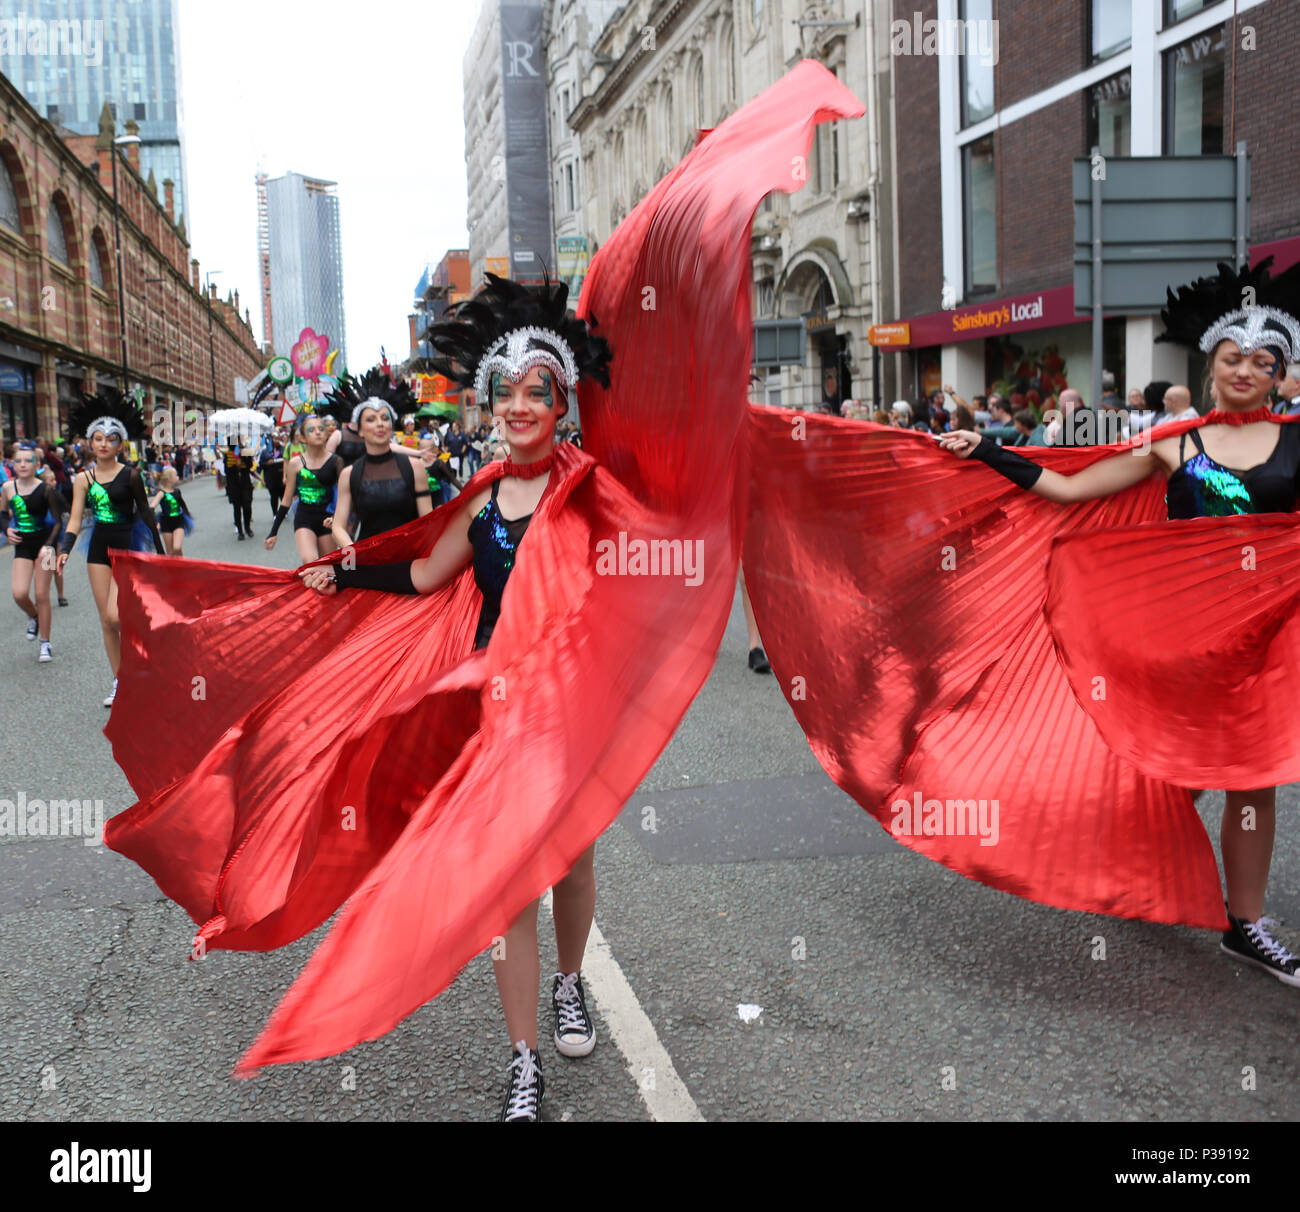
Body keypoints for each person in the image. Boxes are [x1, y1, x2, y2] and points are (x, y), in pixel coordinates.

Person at [93, 62, 865, 1116]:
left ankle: (568, 986)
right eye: (502, 394)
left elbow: (656, 551)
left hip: (569, 705)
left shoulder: (594, 493)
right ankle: (522, 1062)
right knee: (506, 881)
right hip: (493, 702)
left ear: (562, 404)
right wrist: (338, 566)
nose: (515, 408)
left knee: (568, 866)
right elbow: (419, 572)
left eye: (536, 393)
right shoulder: (483, 497)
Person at [939, 256, 1300, 985]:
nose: (1245, 370)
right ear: (1210, 365)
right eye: (1233, 357)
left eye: (1263, 362)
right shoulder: (1173, 443)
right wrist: (990, 452)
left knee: (1252, 777)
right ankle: (1127, 858)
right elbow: (1069, 490)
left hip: (1269, 641)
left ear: (1280, 374)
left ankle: (1246, 923)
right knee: (1171, 771)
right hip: (1185, 637)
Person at [57, 391, 165, 705]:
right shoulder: (82, 479)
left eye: (111, 438)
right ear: (91, 442)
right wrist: (65, 549)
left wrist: (160, 552)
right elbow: (75, 519)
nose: (104, 443)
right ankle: (121, 682)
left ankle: (143, 654)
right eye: (98, 438)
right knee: (106, 621)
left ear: (120, 444)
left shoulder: (131, 475)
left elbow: (145, 512)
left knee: (116, 616)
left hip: (128, 545)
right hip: (98, 549)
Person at [320, 375, 432, 544]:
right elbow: (338, 527)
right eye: (371, 419)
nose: (380, 423)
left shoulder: (414, 467)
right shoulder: (349, 475)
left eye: (385, 418)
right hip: (368, 560)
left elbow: (428, 521)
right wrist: (355, 553)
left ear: (391, 426)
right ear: (360, 430)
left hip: (409, 559)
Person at [1, 441, 65, 662]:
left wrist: (49, 545)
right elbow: (2, 514)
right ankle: (34, 616)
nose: (22, 464)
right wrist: (6, 528)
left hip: (46, 546)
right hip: (22, 545)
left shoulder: (46, 489)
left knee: (41, 594)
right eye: (18, 461)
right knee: (19, 593)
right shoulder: (8, 488)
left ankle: (45, 643)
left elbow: (58, 522)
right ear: (12, 464)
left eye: (28, 460)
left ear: (37, 464)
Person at [265, 414, 344, 564]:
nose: (318, 432)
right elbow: (287, 500)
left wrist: (336, 518)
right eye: (311, 430)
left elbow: (343, 497)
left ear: (327, 434)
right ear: (302, 437)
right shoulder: (295, 464)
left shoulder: (336, 461)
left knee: (328, 566)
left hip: (327, 520)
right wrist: (273, 532)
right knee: (310, 562)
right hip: (304, 518)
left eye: (321, 428)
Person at [148, 467, 193, 557]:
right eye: (175, 475)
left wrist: (187, 514)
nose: (177, 477)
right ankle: (174, 569)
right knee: (170, 552)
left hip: (178, 521)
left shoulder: (177, 491)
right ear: (169, 479)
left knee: (177, 547)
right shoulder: (161, 493)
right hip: (166, 523)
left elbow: (182, 504)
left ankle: (182, 565)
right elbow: (151, 507)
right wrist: (155, 522)